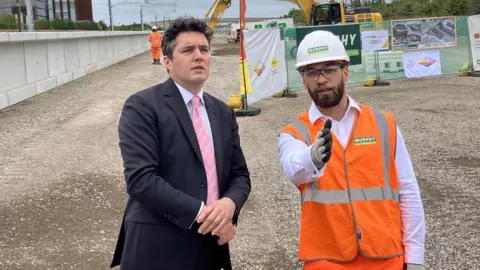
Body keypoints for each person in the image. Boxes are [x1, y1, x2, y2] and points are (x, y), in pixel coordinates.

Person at [110, 17, 251, 270]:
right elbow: (141, 179)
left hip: (211, 247)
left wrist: (229, 206)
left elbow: (239, 175)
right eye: (188, 50)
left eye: (204, 49)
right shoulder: (142, 106)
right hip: (158, 249)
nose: (199, 56)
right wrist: (203, 214)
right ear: (167, 62)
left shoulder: (223, 112)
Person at [277, 30, 426, 270]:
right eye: (311, 72)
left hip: (387, 257)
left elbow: (408, 191)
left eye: (329, 68)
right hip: (326, 260)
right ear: (303, 79)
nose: (321, 79)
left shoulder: (383, 124)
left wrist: (415, 255)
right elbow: (294, 167)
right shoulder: (295, 133)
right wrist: (312, 157)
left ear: (345, 70)